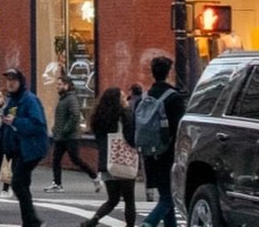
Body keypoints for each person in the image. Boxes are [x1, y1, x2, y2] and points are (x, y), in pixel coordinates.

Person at [136, 57, 185, 227]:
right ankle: (149, 222)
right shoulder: (174, 98)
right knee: (169, 197)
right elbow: (180, 128)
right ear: (169, 72)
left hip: (149, 151)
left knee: (165, 192)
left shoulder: (145, 96)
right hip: (168, 152)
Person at [0, 67, 50, 227]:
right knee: (23, 184)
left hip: (32, 148)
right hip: (18, 149)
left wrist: (15, 122)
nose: (10, 83)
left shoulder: (29, 100)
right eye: (8, 80)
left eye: (14, 80)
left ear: (20, 82)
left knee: (18, 184)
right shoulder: (11, 100)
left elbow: (38, 124)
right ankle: (29, 221)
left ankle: (32, 221)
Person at [86, 86, 139, 227]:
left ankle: (93, 220)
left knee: (112, 199)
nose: (125, 100)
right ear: (118, 101)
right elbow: (130, 138)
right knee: (129, 200)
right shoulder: (125, 115)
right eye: (122, 97)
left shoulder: (99, 118)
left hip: (107, 163)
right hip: (123, 161)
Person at [50, 76, 101, 191]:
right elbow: (63, 117)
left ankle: (95, 177)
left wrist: (65, 130)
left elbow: (75, 116)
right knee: (56, 159)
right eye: (57, 84)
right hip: (62, 136)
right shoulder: (63, 99)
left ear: (66, 85)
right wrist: (56, 128)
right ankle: (57, 184)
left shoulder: (71, 99)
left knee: (75, 159)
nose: (57, 87)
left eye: (59, 84)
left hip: (70, 136)